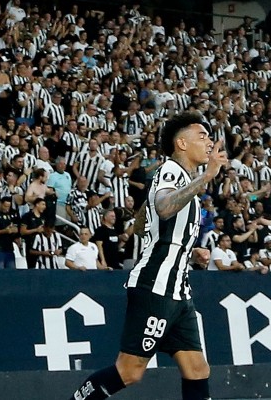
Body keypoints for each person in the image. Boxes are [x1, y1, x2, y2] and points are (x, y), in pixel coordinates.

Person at [68, 112, 226, 400]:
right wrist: (207, 176)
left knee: (197, 369)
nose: (209, 141)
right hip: (155, 288)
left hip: (178, 292)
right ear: (181, 143)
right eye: (202, 136)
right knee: (129, 371)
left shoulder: (183, 180)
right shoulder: (171, 171)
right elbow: (164, 208)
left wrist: (188, 252)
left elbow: (145, 225)